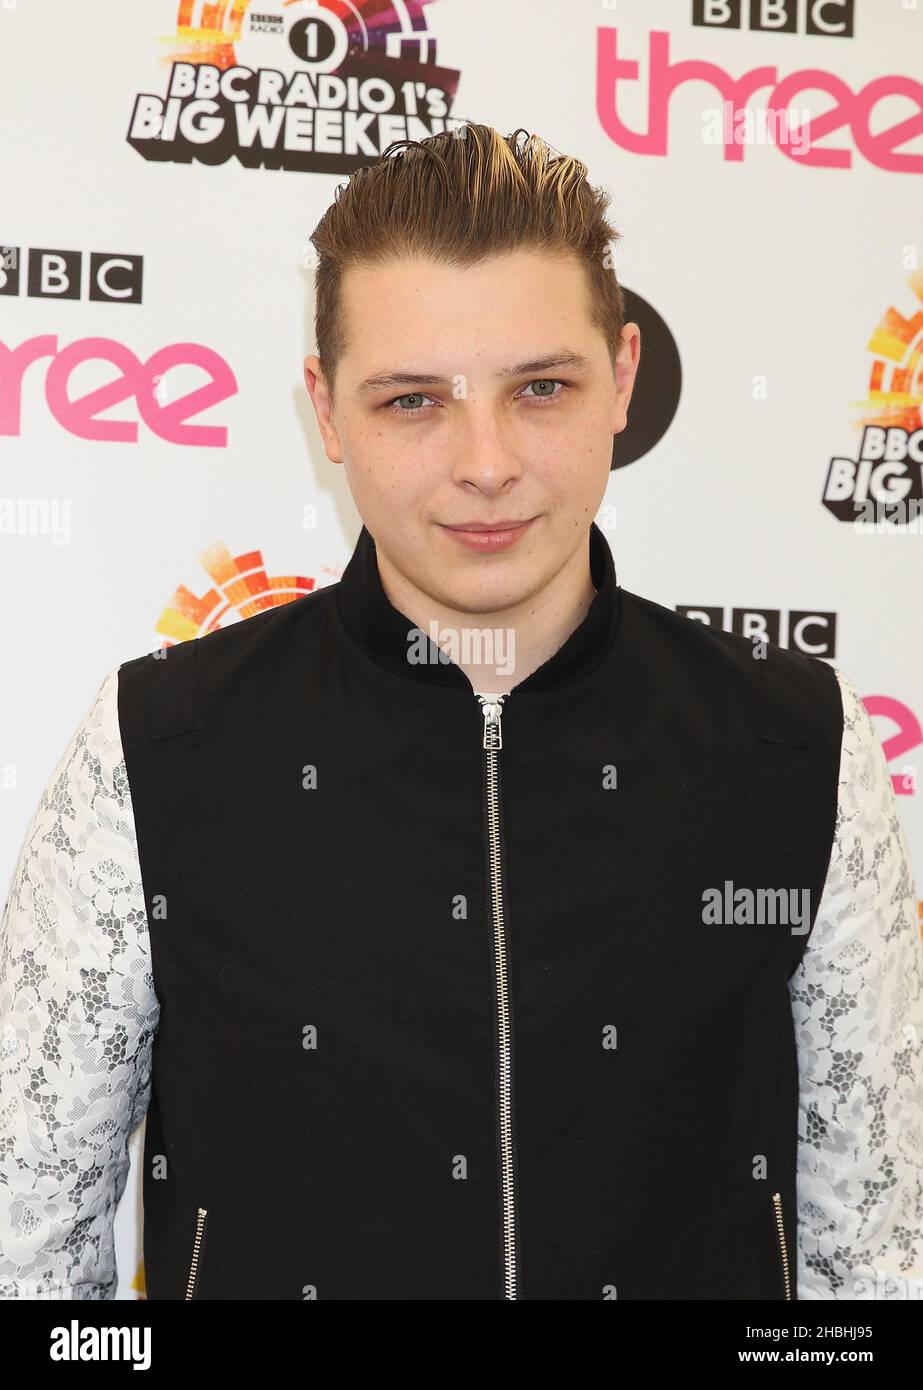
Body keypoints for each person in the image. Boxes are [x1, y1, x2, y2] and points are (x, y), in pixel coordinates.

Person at [1, 124, 921, 1301]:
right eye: (411, 401)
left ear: (624, 380)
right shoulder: (156, 745)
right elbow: (29, 1255)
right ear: (327, 414)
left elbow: (874, 1262)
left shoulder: (801, 746)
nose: (483, 462)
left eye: (538, 387)